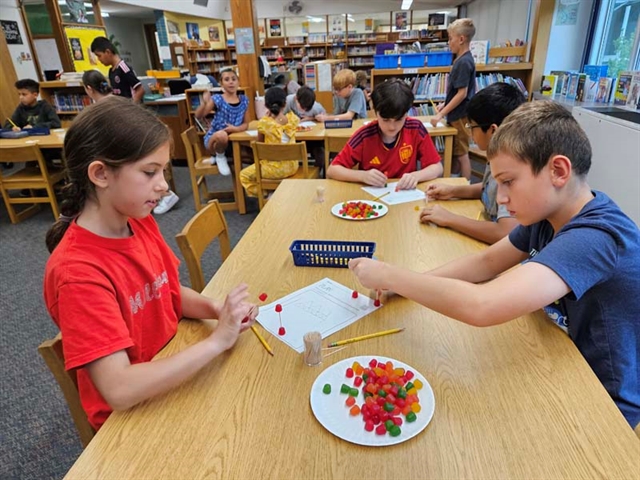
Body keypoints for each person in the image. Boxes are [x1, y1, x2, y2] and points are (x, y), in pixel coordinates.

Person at [350, 101, 640, 429]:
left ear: (558, 171)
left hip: (603, 401)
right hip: (561, 361)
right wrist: (405, 284)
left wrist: (391, 274)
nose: (500, 198)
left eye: (509, 182)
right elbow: (486, 262)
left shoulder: (595, 237)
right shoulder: (548, 215)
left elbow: (483, 305)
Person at [43, 96, 258, 431]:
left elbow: (167, 291)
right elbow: (120, 389)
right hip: (130, 417)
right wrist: (216, 341)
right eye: (149, 172)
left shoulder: (137, 219)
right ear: (100, 174)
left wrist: (218, 310)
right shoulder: (77, 272)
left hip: (169, 364)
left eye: (164, 171)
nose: (163, 185)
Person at [421, 83, 523, 244]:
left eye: (472, 126)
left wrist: (450, 219)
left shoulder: (513, 172)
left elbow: (504, 234)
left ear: (493, 130)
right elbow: (488, 189)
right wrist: (453, 191)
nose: (470, 133)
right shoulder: (499, 156)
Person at [81, 70, 179, 214]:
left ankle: (167, 194)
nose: (162, 184)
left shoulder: (103, 110)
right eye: (150, 172)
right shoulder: (118, 101)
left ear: (88, 89)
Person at [327, 79, 442, 189]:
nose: (392, 127)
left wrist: (416, 176)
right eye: (385, 120)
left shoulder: (416, 129)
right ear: (376, 113)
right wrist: (362, 176)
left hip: (405, 194)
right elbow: (332, 170)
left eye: (398, 120)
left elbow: (437, 167)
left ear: (407, 113)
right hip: (372, 196)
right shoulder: (364, 135)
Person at [430, 18, 476, 180]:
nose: (449, 43)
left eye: (450, 38)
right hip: (457, 114)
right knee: (455, 152)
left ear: (461, 39)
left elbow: (462, 93)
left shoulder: (463, 62)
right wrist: (445, 104)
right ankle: (454, 180)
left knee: (462, 154)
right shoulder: (461, 60)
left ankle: (466, 187)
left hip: (461, 117)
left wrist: (440, 115)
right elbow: (456, 92)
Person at [239, 87, 300, 197]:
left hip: (273, 169)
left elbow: (259, 146)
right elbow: (282, 121)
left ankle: (265, 194)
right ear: (285, 104)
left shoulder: (263, 123)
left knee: (244, 175)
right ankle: (274, 192)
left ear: (266, 106)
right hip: (292, 166)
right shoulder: (293, 119)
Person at [195, 68, 249, 176]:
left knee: (252, 155)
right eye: (227, 79)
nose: (231, 82)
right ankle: (219, 156)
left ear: (238, 82)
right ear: (221, 84)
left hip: (233, 141)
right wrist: (204, 103)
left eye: (234, 79)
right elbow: (199, 116)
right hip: (214, 140)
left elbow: (246, 123)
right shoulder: (217, 99)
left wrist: (236, 129)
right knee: (222, 135)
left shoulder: (244, 100)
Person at [90, 37, 144, 104]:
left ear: (107, 52)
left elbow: (140, 90)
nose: (98, 59)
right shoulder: (111, 71)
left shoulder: (123, 68)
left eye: (99, 56)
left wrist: (131, 107)